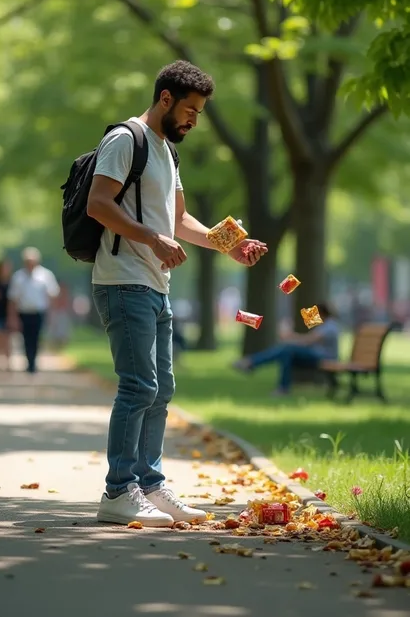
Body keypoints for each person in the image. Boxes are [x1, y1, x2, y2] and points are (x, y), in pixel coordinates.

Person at [87, 60, 268, 527]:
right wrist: (151, 238)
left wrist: (231, 245)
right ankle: (118, 491)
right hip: (123, 279)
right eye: (190, 109)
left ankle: (149, 485)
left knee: (162, 388)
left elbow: (180, 220)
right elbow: (98, 204)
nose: (195, 119)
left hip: (154, 284)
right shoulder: (125, 140)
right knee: (138, 386)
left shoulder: (167, 151)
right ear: (165, 98)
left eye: (200, 112)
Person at [233, 302, 339, 396]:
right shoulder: (327, 325)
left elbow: (308, 341)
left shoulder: (330, 326)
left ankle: (252, 362)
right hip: (317, 355)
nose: (314, 315)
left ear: (322, 313)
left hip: (324, 357)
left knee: (287, 350)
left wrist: (291, 337)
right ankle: (281, 386)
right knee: (286, 353)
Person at [7, 247, 60, 374]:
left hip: (39, 312)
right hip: (24, 312)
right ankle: (29, 361)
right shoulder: (18, 277)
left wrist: (52, 313)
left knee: (36, 337)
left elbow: (52, 295)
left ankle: (33, 362)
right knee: (25, 338)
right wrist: (12, 317)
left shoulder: (45, 275)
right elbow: (13, 299)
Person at [48, 281, 72, 349]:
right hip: (56, 313)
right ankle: (54, 346)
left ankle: (61, 346)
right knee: (54, 330)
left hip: (62, 313)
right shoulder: (54, 293)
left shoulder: (64, 294)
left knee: (63, 331)